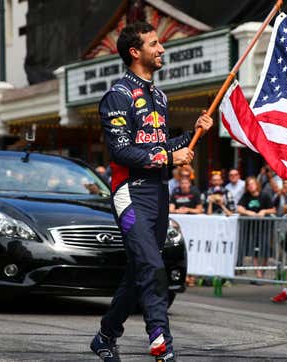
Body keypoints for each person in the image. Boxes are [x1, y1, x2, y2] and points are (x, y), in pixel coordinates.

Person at [92, 21, 213, 362]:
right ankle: (162, 342)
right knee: (153, 267)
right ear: (135, 52)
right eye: (155, 44)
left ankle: (105, 337)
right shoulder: (117, 95)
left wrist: (195, 133)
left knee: (138, 273)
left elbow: (162, 144)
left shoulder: (159, 96)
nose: (162, 49)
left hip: (158, 195)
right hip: (130, 192)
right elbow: (121, 151)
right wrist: (168, 157)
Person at [236, 177, 276, 278]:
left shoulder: (264, 195)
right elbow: (239, 208)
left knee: (265, 250)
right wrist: (247, 212)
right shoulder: (246, 196)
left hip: (264, 227)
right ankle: (258, 272)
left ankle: (262, 271)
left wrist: (264, 211)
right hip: (252, 228)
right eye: (249, 185)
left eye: (252, 184)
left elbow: (273, 210)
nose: (251, 186)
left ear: (257, 184)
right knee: (254, 251)